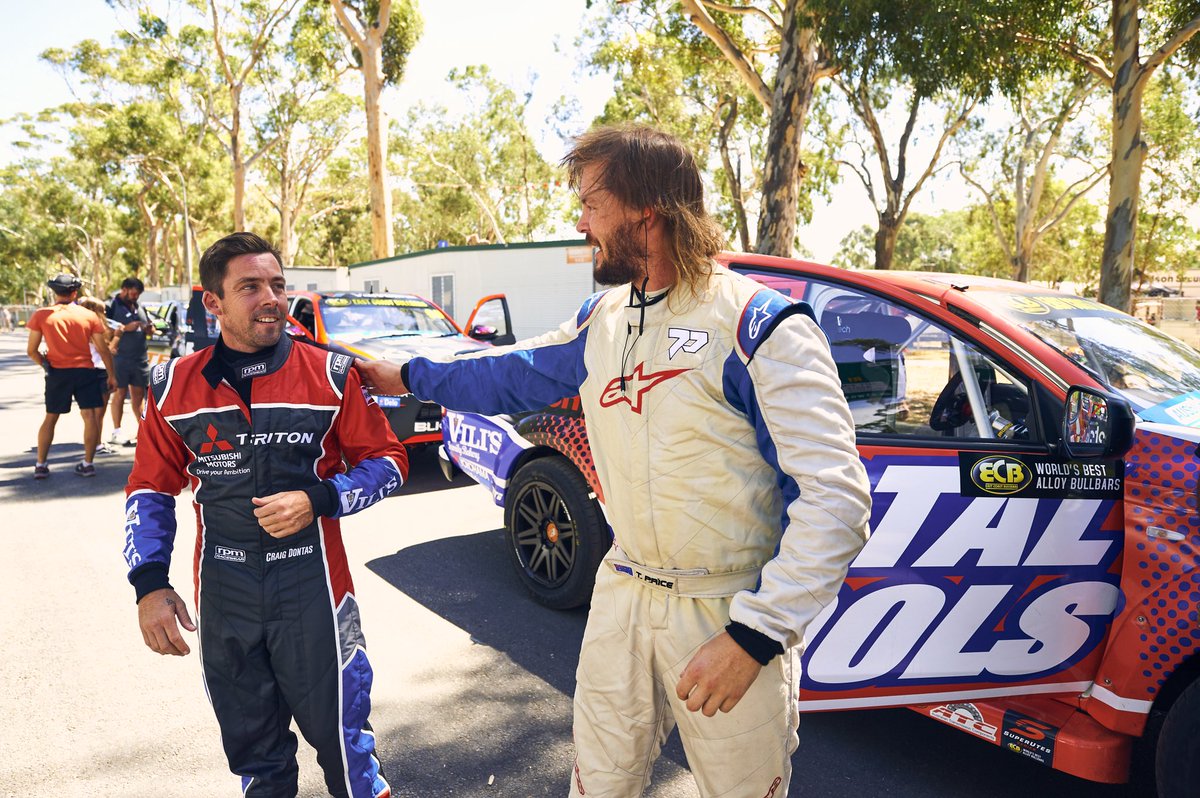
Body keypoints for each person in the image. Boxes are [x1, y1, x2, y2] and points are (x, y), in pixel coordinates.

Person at [357, 124, 872, 797]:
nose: (581, 223)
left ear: (647, 216)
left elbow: (836, 500)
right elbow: (505, 374)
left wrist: (755, 637)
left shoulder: (759, 326)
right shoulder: (601, 318)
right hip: (623, 593)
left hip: (727, 608)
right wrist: (405, 375)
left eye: (593, 206)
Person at [122, 233, 408, 797]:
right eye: (249, 287)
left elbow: (390, 463)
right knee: (257, 759)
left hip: (314, 587)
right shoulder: (173, 386)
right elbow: (149, 491)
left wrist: (319, 499)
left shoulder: (331, 375)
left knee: (348, 753)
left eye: (277, 284)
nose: (270, 298)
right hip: (224, 591)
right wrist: (148, 585)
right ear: (214, 303)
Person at [26, 273, 117, 478]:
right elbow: (103, 349)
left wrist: (47, 365)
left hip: (58, 373)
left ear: (54, 292)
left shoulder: (42, 315)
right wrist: (112, 375)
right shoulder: (88, 316)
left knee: (51, 417)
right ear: (75, 292)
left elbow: (31, 350)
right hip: (86, 372)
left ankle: (41, 464)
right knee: (91, 417)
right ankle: (88, 463)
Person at [106, 276, 153, 446]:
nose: (135, 297)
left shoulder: (139, 307)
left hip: (139, 359)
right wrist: (126, 328)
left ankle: (143, 430)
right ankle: (116, 431)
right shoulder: (111, 306)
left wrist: (149, 329)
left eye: (138, 294)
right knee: (119, 393)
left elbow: (149, 327)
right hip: (120, 359)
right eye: (133, 293)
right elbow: (103, 329)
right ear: (124, 289)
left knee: (139, 397)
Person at [78, 295, 120, 454]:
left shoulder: (78, 326)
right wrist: (116, 338)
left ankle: (93, 443)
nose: (104, 314)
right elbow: (105, 351)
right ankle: (96, 444)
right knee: (98, 413)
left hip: (83, 370)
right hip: (99, 370)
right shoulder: (94, 327)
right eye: (101, 310)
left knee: (88, 413)